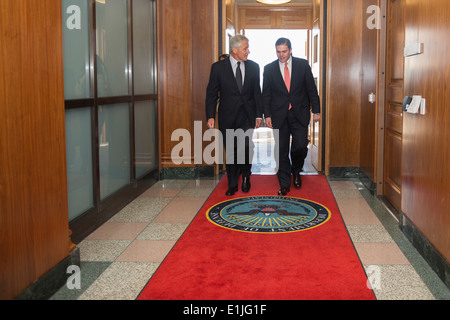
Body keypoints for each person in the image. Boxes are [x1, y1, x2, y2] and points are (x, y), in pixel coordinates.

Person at [205, 34, 263, 196]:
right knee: (231, 149)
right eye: (245, 48)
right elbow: (211, 93)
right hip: (227, 116)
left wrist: (259, 115)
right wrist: (210, 115)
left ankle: (245, 176)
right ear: (235, 50)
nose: (248, 52)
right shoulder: (218, 68)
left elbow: (257, 92)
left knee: (245, 147)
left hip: (247, 116)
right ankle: (232, 182)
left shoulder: (254, 67)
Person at [262, 37, 320, 196]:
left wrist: (316, 110)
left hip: (299, 113)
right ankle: (285, 183)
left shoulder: (303, 65)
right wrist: (267, 115)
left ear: (291, 50)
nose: (281, 55)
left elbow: (311, 90)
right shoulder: (269, 69)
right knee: (280, 149)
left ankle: (296, 170)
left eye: (284, 51)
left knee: (300, 146)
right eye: (278, 52)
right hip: (278, 114)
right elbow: (266, 94)